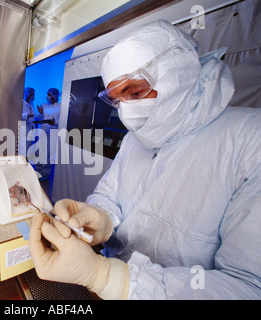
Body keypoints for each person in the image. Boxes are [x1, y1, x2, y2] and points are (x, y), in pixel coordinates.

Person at [29, 20, 261, 299]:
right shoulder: (135, 139)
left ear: (179, 73)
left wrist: (109, 278)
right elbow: (110, 195)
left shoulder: (249, 140)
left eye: (135, 92)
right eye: (117, 100)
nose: (127, 112)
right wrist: (100, 219)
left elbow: (249, 286)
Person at [33, 88, 61, 181]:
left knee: (48, 155)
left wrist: (54, 123)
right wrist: (40, 113)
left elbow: (61, 120)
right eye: (47, 94)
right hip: (42, 132)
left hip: (52, 133)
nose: (48, 96)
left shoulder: (60, 106)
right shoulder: (44, 105)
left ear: (55, 96)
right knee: (38, 152)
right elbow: (38, 118)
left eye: (50, 94)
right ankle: (38, 171)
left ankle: (45, 174)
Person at [19, 87, 36, 158]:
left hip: (30, 129)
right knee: (23, 149)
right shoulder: (21, 103)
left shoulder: (31, 104)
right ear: (27, 95)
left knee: (28, 149)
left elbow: (33, 116)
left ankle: (26, 162)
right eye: (32, 94)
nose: (34, 96)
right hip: (23, 129)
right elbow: (18, 115)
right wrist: (27, 115)